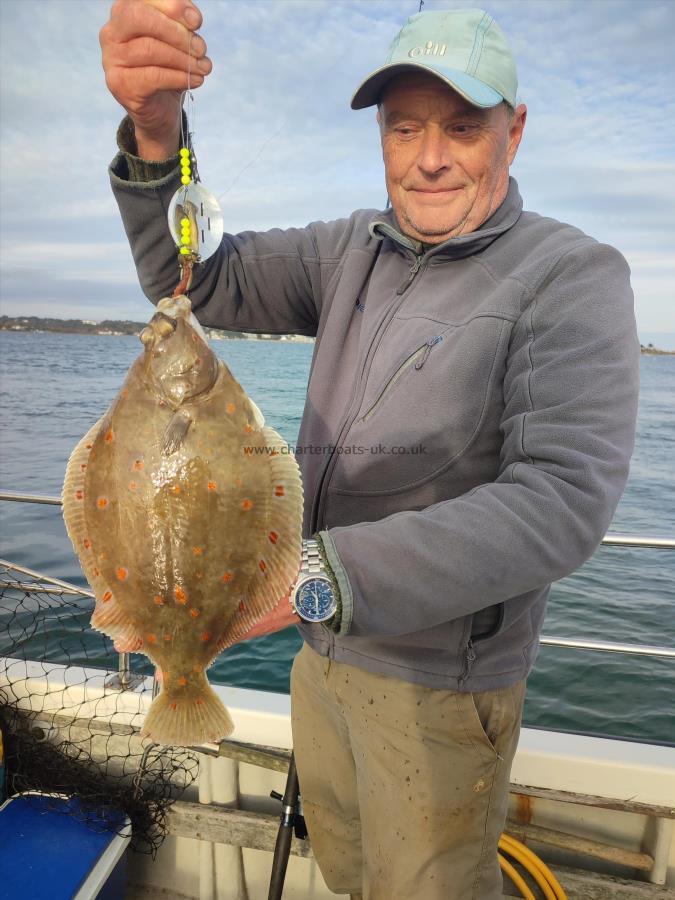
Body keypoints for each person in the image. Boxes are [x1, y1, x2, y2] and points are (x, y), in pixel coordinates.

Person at [100, 3, 640, 897]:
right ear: (383, 137)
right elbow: (193, 278)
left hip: (438, 684)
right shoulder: (349, 249)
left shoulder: (570, 274)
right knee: (348, 870)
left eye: (463, 127)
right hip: (321, 659)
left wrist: (317, 575)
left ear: (516, 130)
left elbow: (561, 501)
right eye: (404, 128)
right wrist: (158, 137)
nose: (429, 156)